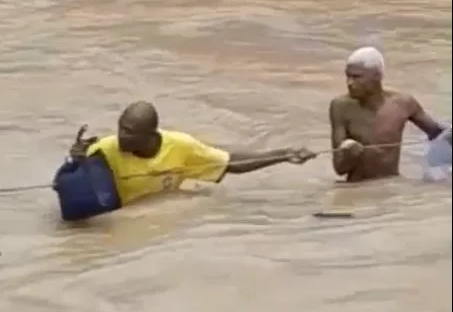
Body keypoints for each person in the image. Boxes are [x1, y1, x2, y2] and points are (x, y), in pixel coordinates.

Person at [53, 101, 317, 221]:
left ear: (151, 135)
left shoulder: (181, 146)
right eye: (121, 128)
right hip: (121, 212)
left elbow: (230, 164)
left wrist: (283, 155)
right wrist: (73, 162)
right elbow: (60, 186)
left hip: (156, 215)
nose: (121, 136)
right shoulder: (105, 149)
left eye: (130, 132)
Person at [329, 46, 450, 182]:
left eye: (356, 77)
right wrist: (349, 154)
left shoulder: (403, 103)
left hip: (391, 186)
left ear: (377, 76)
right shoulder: (340, 106)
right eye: (348, 76)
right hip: (356, 187)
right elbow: (339, 168)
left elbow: (438, 134)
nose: (349, 83)